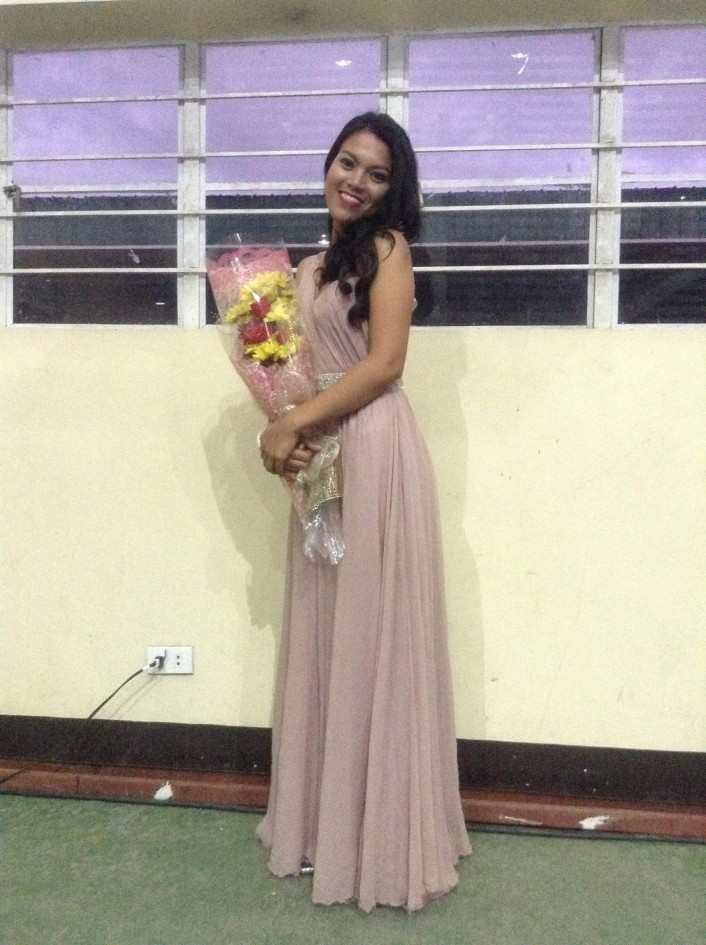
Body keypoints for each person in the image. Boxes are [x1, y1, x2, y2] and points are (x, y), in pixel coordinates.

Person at [256, 112, 471, 912]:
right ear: (328, 165)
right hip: (326, 453)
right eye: (347, 162)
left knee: (375, 630)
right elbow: (296, 374)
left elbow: (383, 364)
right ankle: (328, 825)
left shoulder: (389, 250)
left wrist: (291, 424)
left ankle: (383, 834)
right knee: (329, 625)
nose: (355, 181)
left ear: (393, 190)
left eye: (376, 173)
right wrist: (284, 428)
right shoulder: (307, 269)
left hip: (376, 449)